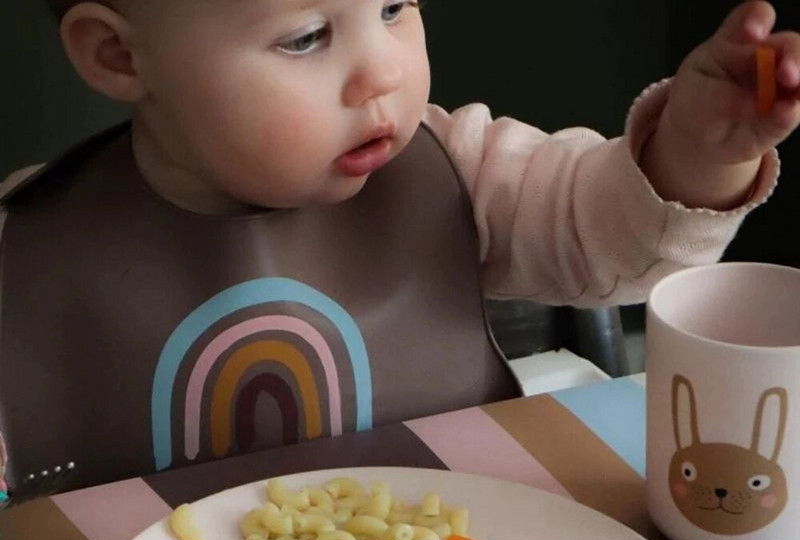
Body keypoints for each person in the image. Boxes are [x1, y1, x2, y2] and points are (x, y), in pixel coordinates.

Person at [0, 0, 798, 495]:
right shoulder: (29, 250)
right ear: (119, 55)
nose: (383, 73)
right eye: (308, 35)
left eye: (395, 5)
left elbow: (607, 240)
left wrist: (697, 152)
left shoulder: (451, 167)